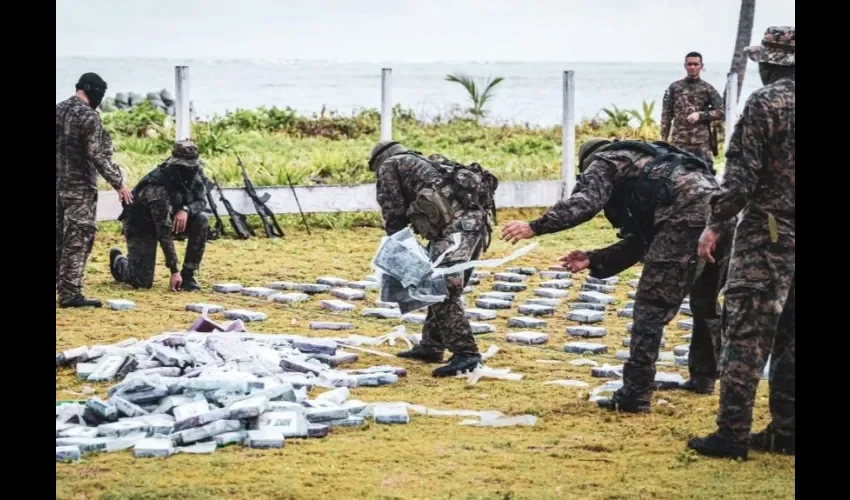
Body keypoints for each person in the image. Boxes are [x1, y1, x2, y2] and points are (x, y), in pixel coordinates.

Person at [501, 137, 722, 412]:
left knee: (649, 308)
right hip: (723, 211)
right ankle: (704, 377)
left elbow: (586, 202)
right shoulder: (651, 164)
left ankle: (635, 393)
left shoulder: (604, 161)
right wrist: (594, 259)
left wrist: (536, 226)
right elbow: (641, 242)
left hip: (687, 218)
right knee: (706, 301)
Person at [688, 26, 795, 460]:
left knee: (745, 334)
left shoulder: (766, 102)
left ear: (769, 64)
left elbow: (741, 178)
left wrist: (714, 223)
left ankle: (731, 434)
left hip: (768, 234)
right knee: (792, 337)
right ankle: (788, 431)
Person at [370, 140, 498, 377]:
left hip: (455, 231)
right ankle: (431, 345)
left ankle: (466, 354)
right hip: (476, 227)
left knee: (441, 288)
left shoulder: (390, 165)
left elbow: (393, 213)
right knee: (437, 285)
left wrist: (401, 251)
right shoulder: (427, 164)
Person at [56, 72, 133, 308]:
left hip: (58, 185)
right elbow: (96, 154)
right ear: (94, 91)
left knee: (59, 238)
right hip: (79, 188)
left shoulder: (59, 110)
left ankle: (63, 287)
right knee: (77, 240)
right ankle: (70, 294)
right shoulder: (89, 117)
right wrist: (118, 183)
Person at [109, 140, 209, 292]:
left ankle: (188, 275)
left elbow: (202, 202)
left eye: (193, 166)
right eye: (186, 167)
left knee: (201, 219)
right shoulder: (158, 187)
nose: (190, 170)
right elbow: (163, 231)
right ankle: (119, 262)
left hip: (173, 218)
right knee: (142, 282)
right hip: (142, 226)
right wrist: (174, 271)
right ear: (175, 165)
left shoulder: (195, 174)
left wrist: (186, 209)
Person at [660, 51, 725, 169]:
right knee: (675, 174)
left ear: (701, 66)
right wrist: (663, 140)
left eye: (695, 64)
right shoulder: (675, 87)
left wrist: (701, 115)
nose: (692, 67)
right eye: (689, 64)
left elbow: (722, 111)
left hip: (701, 143)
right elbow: (666, 115)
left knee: (706, 173)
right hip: (679, 141)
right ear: (685, 66)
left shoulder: (707, 88)